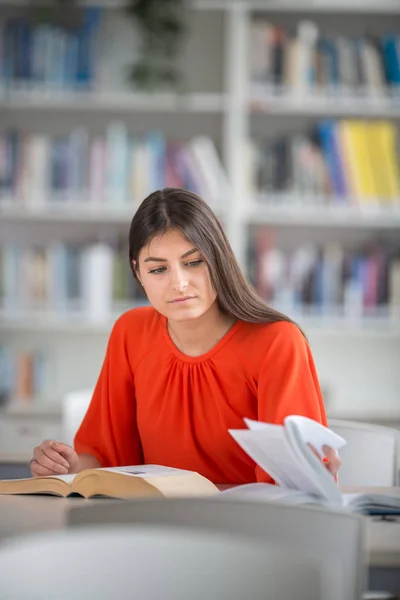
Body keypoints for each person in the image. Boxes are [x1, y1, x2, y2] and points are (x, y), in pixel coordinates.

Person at [30, 188, 341, 484]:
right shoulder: (131, 332)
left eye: (193, 263)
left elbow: (293, 480)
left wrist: (312, 472)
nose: (178, 283)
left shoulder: (277, 342)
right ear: (138, 273)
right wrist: (68, 467)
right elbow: (106, 459)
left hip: (247, 526)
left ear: (219, 259)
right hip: (156, 524)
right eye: (158, 270)